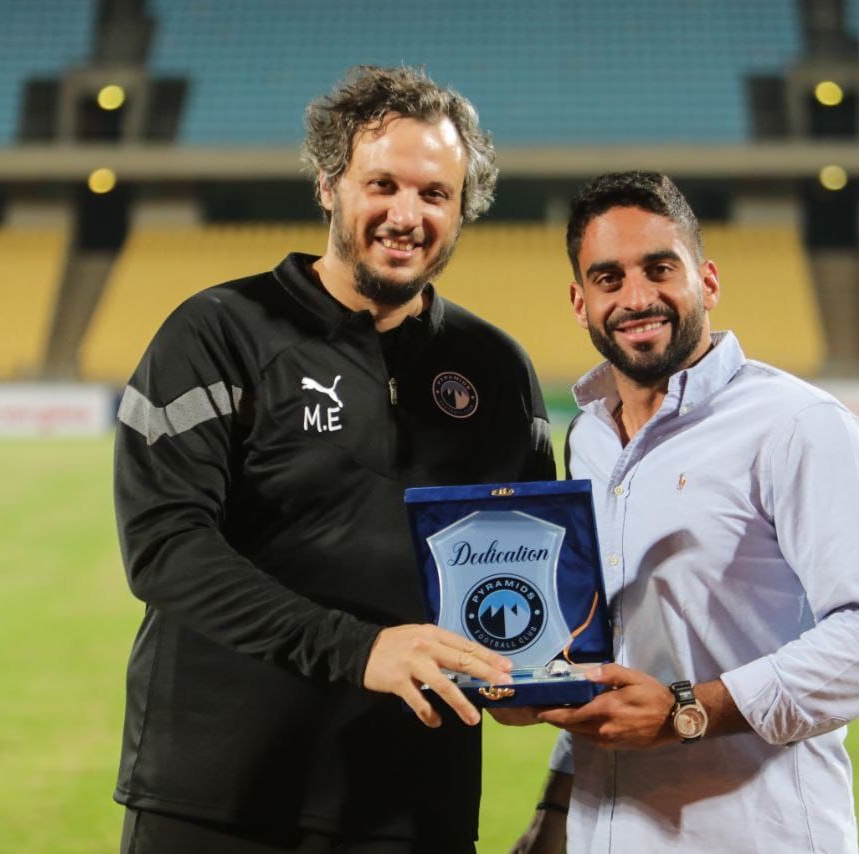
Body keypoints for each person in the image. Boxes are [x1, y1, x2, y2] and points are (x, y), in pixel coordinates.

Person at [112, 65, 555, 853]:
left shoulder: (496, 368)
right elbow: (165, 548)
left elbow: (525, 565)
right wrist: (362, 650)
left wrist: (529, 672)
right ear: (328, 185)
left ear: (462, 208)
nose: (406, 215)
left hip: (414, 805)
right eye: (382, 184)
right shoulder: (218, 331)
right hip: (218, 796)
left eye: (435, 193)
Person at [503, 172, 859, 853]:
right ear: (581, 302)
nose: (637, 297)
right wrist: (555, 809)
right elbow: (608, 646)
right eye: (608, 278)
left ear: (708, 280)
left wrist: (686, 712)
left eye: (659, 269)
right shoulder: (590, 439)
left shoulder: (798, 425)